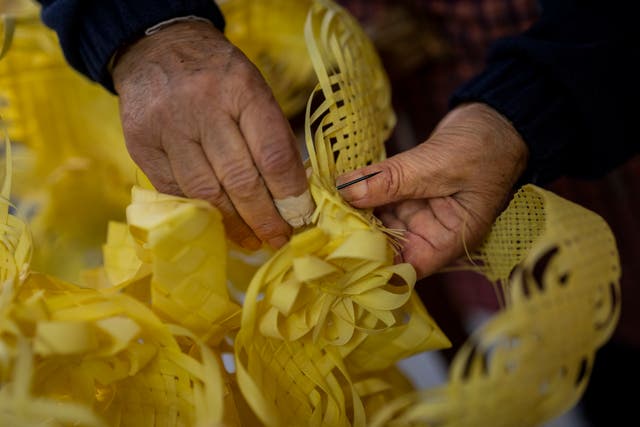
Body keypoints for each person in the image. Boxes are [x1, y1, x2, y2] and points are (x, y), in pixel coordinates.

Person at [35, 1, 640, 425]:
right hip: (393, 99)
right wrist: (142, 28)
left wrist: (537, 102)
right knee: (426, 285)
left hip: (587, 69)